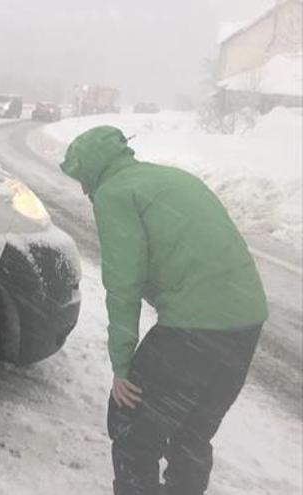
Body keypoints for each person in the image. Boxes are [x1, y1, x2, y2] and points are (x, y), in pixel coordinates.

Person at [60, 126, 268, 495]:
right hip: (247, 321)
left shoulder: (115, 193)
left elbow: (123, 286)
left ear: (92, 171)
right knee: (192, 434)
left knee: (133, 431)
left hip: (195, 327)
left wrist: (122, 368)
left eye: (82, 179)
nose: (83, 190)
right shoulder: (170, 177)